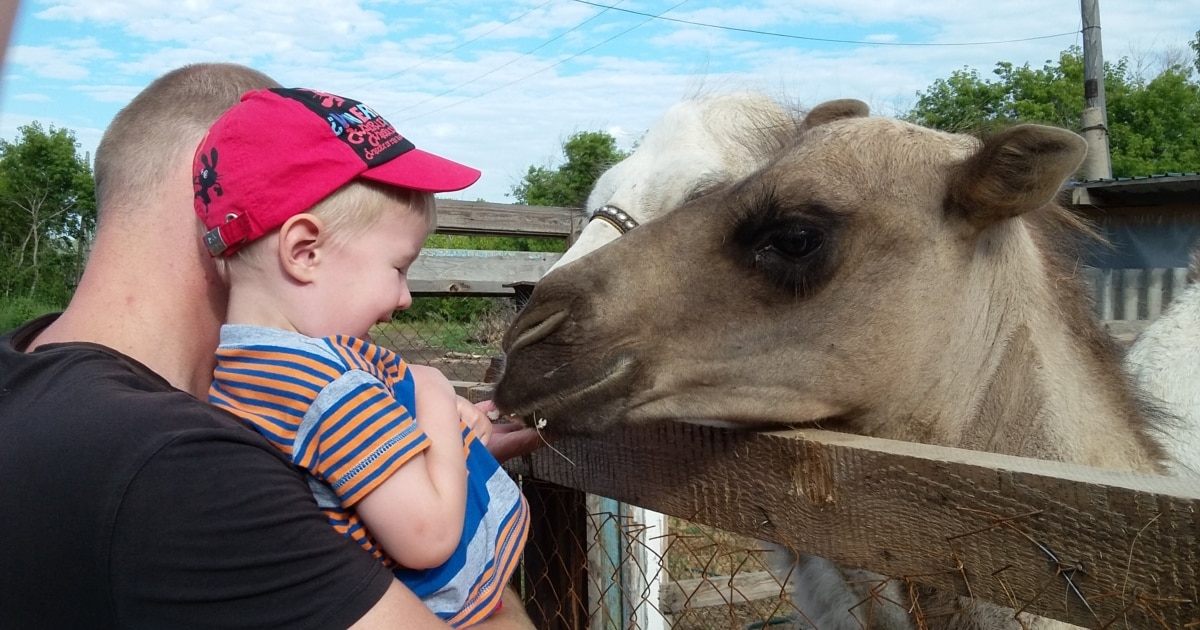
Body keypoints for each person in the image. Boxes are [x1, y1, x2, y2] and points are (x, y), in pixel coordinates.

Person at [0, 63, 539, 629]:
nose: (404, 298)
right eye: (399, 266)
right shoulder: (183, 469)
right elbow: (435, 552)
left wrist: (418, 456)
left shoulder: (32, 381)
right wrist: (458, 473)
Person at [194, 86, 528, 628]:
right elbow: (428, 537)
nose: (405, 297)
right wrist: (436, 394)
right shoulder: (326, 384)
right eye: (398, 268)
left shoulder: (235, 369)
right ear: (305, 251)